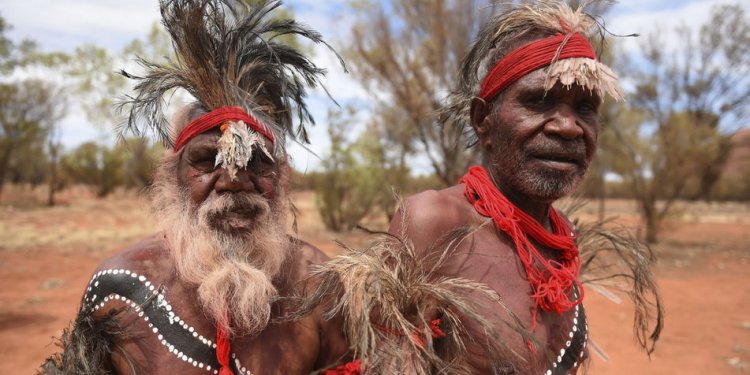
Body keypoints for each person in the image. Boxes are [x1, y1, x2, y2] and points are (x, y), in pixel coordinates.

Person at [309, 1, 663, 374]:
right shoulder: (435, 223)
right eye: (539, 101)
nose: (569, 126)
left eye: (586, 107)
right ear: (483, 122)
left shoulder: (561, 237)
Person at [41, 1, 349, 374]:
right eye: (207, 160)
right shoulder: (119, 289)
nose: (234, 179)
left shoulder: (319, 284)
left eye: (257, 163)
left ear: (281, 179)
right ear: (172, 178)